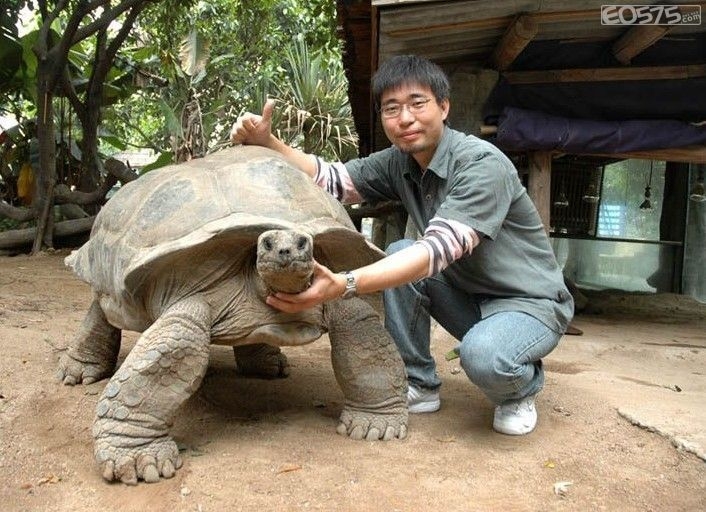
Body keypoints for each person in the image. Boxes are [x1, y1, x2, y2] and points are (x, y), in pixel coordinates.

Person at [230, 55, 574, 435]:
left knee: (484, 357)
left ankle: (519, 388)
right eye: (391, 109)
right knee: (396, 253)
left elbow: (436, 251)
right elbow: (332, 180)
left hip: (529, 303)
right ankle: (419, 383)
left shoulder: (481, 164)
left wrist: (344, 283)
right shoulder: (401, 161)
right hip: (469, 293)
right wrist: (269, 142)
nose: (405, 118)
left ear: (444, 107)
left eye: (417, 103)